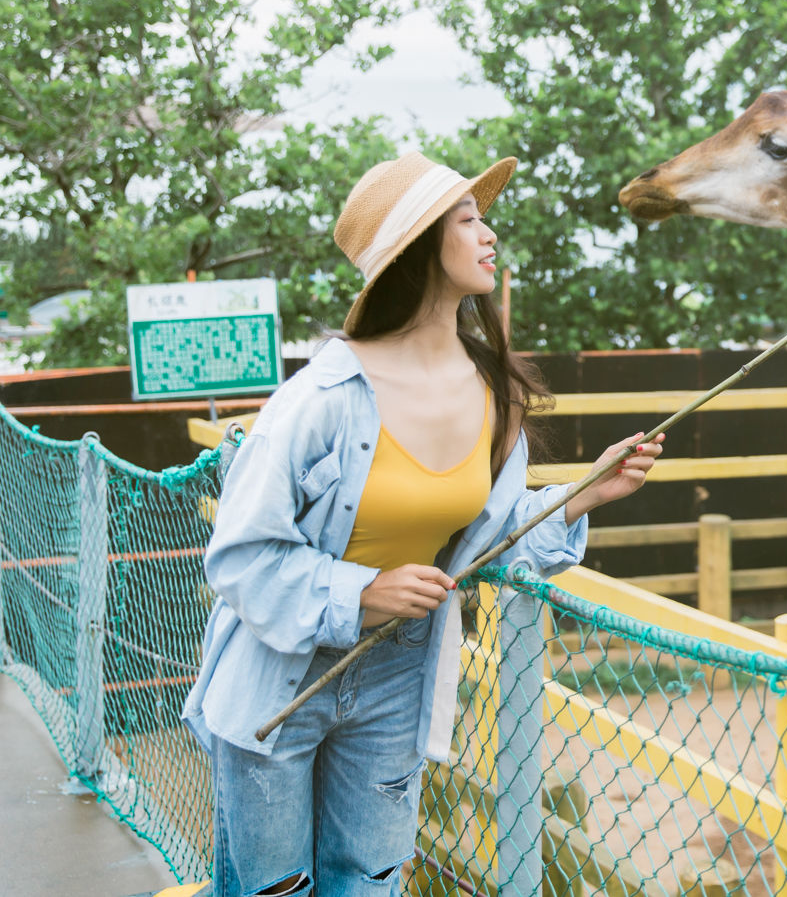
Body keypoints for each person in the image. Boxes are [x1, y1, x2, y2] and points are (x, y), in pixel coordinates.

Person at [181, 152, 661, 896]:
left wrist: (583, 492)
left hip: (400, 668)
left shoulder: (493, 393)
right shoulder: (319, 399)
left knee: (368, 882)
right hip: (281, 673)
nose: (490, 234)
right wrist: (362, 590)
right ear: (417, 249)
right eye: (469, 220)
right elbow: (240, 557)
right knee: (271, 889)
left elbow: (491, 538)